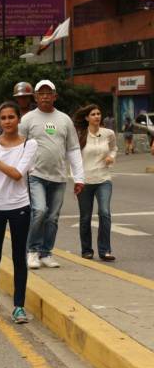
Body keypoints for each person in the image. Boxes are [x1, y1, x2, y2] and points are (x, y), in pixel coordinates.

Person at [0, 102, 37, 325]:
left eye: (12, 117)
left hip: (20, 207)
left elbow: (17, 174)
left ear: (19, 119)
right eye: (4, 118)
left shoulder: (29, 145)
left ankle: (19, 307)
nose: (8, 121)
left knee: (19, 258)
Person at [20, 80, 85, 269]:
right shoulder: (28, 120)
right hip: (36, 175)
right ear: (36, 97)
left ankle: (46, 253)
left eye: (49, 93)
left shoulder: (64, 119)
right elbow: (17, 144)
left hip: (58, 177)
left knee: (53, 217)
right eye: (41, 93)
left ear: (55, 96)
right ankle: (32, 251)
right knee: (39, 211)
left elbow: (73, 149)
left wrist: (79, 178)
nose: (45, 96)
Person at [73, 105, 117, 262]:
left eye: (99, 113)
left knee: (104, 212)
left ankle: (105, 250)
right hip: (84, 181)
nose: (97, 116)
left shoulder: (108, 133)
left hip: (104, 179)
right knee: (85, 217)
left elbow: (114, 148)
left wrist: (111, 157)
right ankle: (86, 250)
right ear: (87, 117)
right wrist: (77, 179)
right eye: (93, 114)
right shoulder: (80, 135)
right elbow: (74, 159)